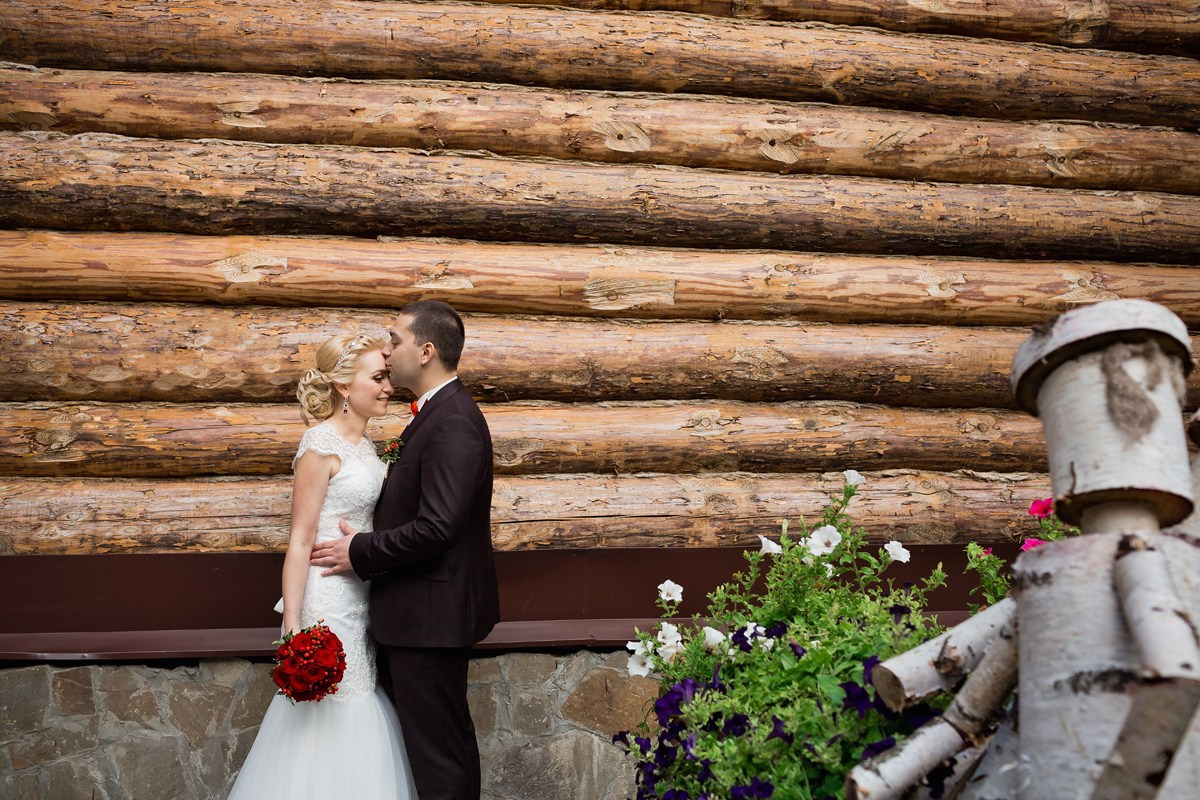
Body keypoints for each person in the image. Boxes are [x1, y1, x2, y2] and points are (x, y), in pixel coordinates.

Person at [310, 301, 501, 800]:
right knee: (433, 750)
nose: (389, 351)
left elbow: (437, 527)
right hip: (418, 615)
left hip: (431, 619)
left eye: (395, 340)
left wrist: (361, 551)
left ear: (427, 349)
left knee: (440, 758)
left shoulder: (453, 421)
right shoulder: (435, 415)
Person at [228, 333, 418, 800]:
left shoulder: (369, 447)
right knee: (331, 705)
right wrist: (293, 630)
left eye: (388, 377)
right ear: (342, 386)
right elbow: (299, 539)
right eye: (377, 377)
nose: (388, 387)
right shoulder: (319, 443)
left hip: (360, 597)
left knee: (357, 696)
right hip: (326, 599)